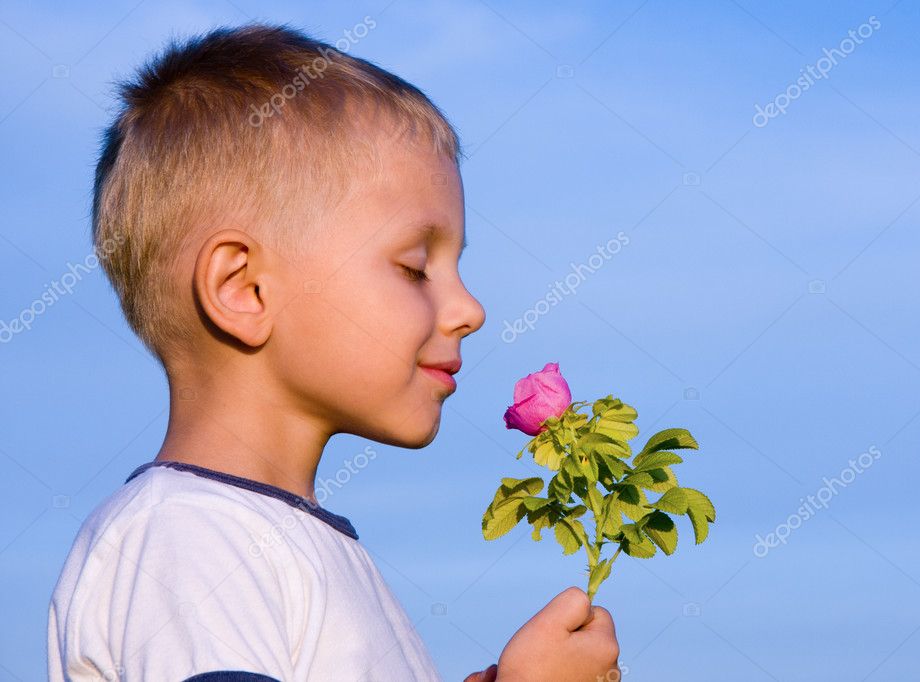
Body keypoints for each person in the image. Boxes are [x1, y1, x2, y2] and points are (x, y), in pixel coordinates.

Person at [46, 23, 620, 682]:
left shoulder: (266, 537)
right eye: (413, 267)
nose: (469, 310)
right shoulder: (188, 536)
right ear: (244, 288)